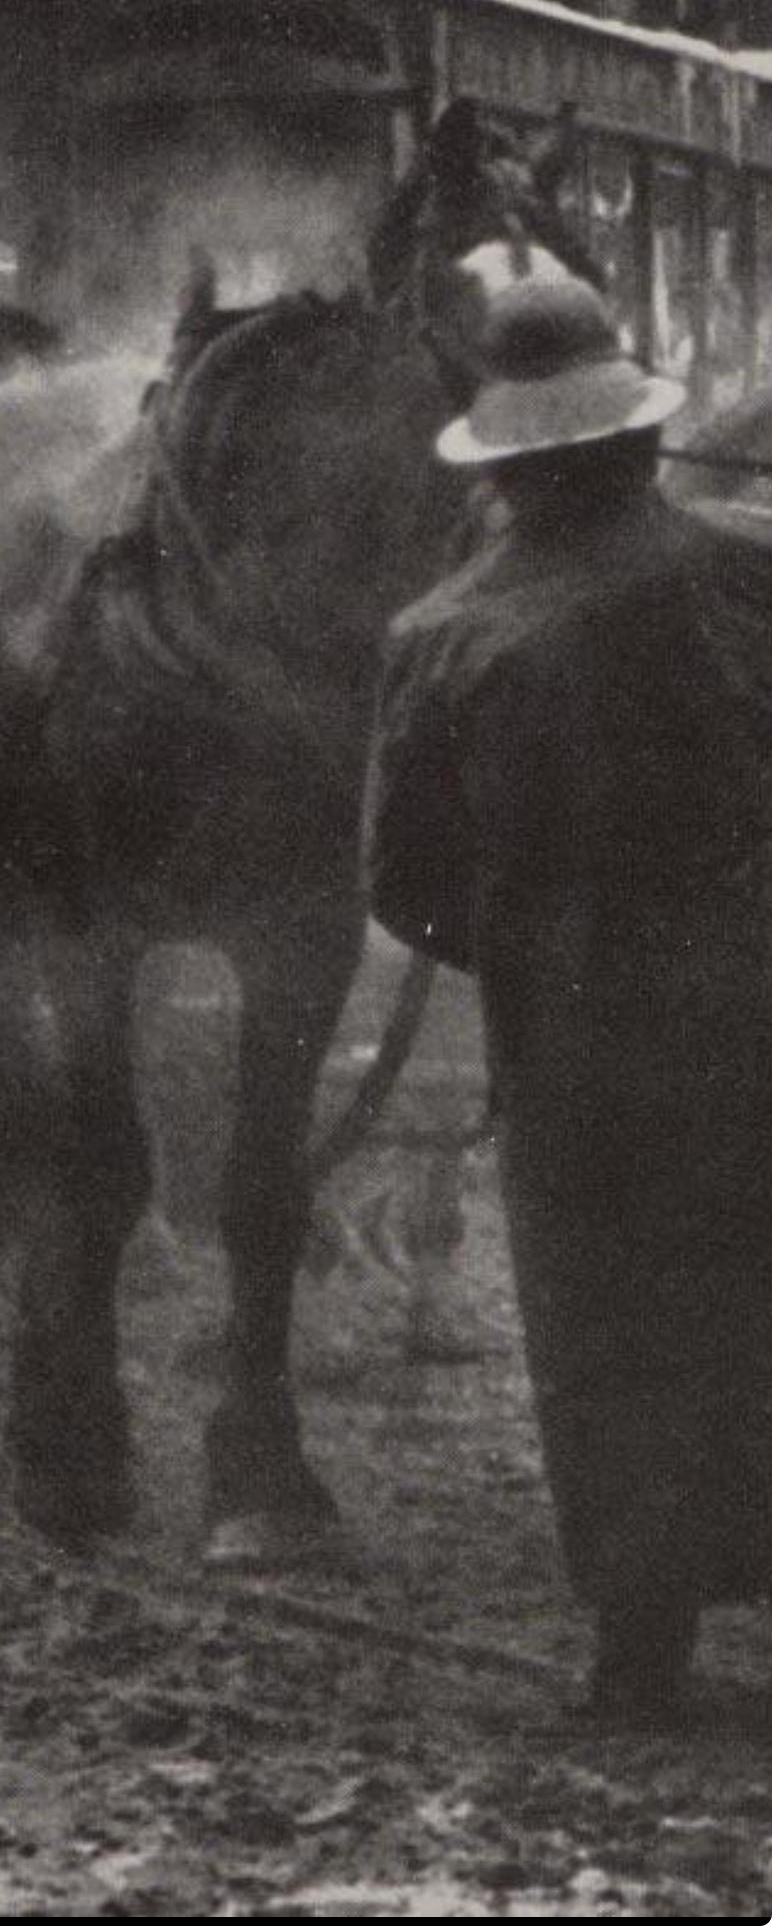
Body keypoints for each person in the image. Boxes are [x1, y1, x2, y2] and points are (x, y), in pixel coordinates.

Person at [365, 274, 772, 1723]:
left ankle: (642, 1649)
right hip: (756, 991)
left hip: (578, 1030)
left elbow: (400, 879)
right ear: (637, 440)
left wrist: (539, 944)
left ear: (510, 465)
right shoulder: (749, 567)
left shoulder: (442, 631)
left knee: (606, 1327)